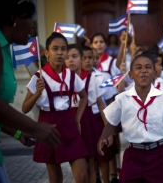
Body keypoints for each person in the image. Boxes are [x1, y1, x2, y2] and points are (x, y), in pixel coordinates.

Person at [97, 54, 163, 182]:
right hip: (134, 155)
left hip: (159, 154)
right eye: (138, 67)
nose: (143, 70)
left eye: (148, 67)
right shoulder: (122, 99)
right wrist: (103, 136)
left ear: (155, 73)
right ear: (131, 74)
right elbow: (112, 121)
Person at [0, 0, 60, 182]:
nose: (33, 24)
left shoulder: (5, 48)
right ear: (14, 18)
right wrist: (34, 127)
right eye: (30, 17)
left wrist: (17, 131)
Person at [22, 32, 89, 183]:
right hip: (47, 123)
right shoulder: (38, 76)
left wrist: (77, 118)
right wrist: (37, 93)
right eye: (55, 49)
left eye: (63, 49)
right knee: (55, 176)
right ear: (47, 52)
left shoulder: (71, 76)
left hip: (68, 123)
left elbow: (84, 96)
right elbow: (24, 108)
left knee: (82, 175)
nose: (59, 53)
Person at [66, 44, 108, 183]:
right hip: (69, 119)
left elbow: (101, 104)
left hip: (87, 119)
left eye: (74, 56)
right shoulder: (63, 79)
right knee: (78, 164)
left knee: (91, 162)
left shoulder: (91, 79)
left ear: (81, 59)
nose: (71, 60)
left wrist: (108, 130)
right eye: (67, 57)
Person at [81, 45, 118, 183]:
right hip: (83, 120)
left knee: (104, 155)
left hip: (99, 119)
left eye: (90, 57)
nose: (87, 61)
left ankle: (107, 180)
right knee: (88, 155)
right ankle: (95, 178)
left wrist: (110, 125)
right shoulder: (73, 78)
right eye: (83, 58)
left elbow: (107, 102)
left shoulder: (102, 77)